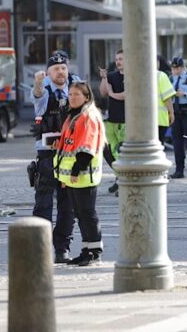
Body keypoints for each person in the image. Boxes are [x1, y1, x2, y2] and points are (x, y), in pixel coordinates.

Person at [54, 81, 106, 266]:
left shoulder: (88, 116)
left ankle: (94, 252)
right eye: (71, 94)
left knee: (87, 214)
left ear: (86, 96)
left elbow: (86, 147)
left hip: (83, 174)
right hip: (74, 176)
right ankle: (87, 249)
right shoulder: (74, 114)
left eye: (77, 94)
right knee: (81, 214)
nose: (72, 97)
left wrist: (76, 170)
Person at [31, 53, 76, 264]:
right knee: (43, 204)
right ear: (48, 72)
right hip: (48, 155)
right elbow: (38, 95)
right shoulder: (45, 89)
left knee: (68, 205)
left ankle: (62, 248)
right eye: (56, 68)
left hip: (69, 154)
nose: (61, 71)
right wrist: (38, 83)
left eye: (63, 68)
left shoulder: (75, 89)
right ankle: (40, 248)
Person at [99, 50, 125, 194]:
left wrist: (112, 93)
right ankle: (119, 176)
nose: (118, 61)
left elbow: (127, 95)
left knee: (123, 152)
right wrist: (104, 78)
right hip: (111, 120)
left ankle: (123, 180)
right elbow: (103, 92)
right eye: (116, 59)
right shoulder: (112, 76)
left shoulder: (132, 75)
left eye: (121, 58)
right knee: (108, 151)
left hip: (126, 121)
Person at [157, 62, 176, 144]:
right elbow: (167, 97)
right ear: (157, 63)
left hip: (143, 119)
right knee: (158, 145)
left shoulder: (139, 75)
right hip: (159, 119)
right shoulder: (160, 75)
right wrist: (171, 113)